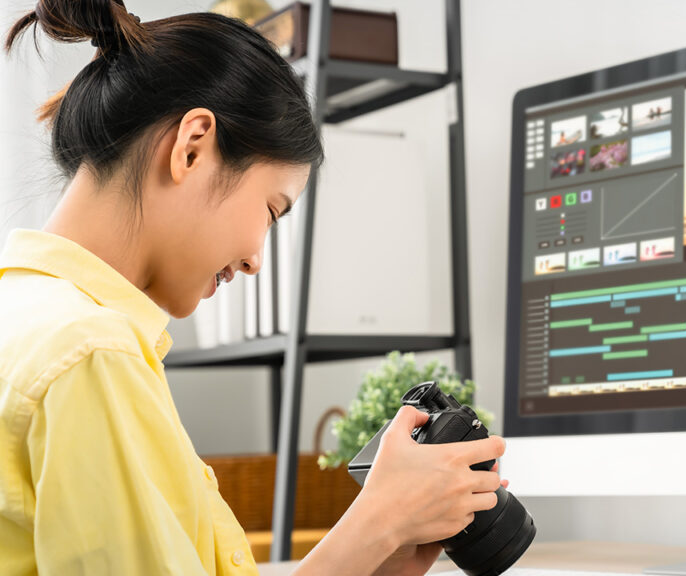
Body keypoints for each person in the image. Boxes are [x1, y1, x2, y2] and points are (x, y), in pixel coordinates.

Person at [0, 1, 506, 575]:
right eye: (270, 210)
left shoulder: (30, 319)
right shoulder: (89, 354)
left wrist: (376, 556)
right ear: (192, 147)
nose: (255, 261)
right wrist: (377, 521)